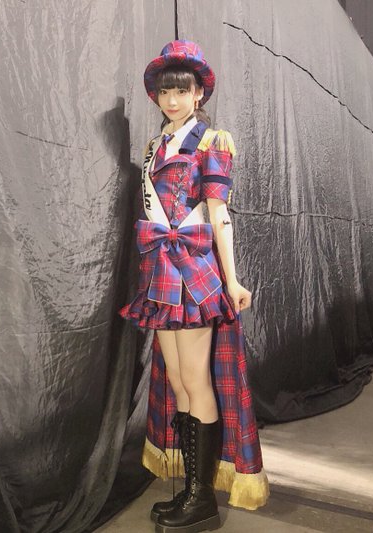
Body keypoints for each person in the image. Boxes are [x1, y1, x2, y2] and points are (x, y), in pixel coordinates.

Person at [119, 40, 269, 532]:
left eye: (182, 91)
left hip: (195, 270)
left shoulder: (212, 142)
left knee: (197, 379)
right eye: (166, 91)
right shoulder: (154, 147)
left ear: (199, 93)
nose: (173, 100)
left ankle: (202, 499)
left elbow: (219, 214)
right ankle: (188, 490)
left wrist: (233, 279)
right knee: (177, 380)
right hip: (161, 270)